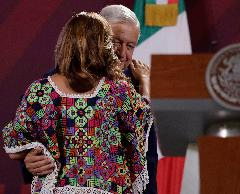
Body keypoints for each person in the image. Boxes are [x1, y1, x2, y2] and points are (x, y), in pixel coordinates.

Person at [3, 11, 153, 194]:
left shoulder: (40, 90)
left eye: (130, 45)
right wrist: (146, 84)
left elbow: (14, 143)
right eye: (114, 42)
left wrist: (31, 150)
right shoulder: (118, 91)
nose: (121, 53)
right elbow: (142, 121)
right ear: (103, 44)